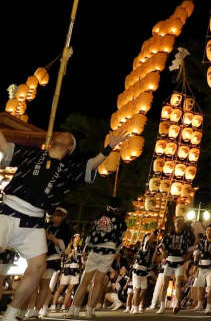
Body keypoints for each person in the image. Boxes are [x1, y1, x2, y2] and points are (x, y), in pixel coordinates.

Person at [0, 128, 129, 321]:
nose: (64, 135)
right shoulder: (32, 153)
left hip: (34, 221)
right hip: (8, 211)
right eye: (61, 134)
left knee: (38, 266)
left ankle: (11, 313)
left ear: (70, 147)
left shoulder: (69, 169)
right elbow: (4, 147)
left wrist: (109, 147)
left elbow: (92, 164)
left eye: (70, 137)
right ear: (52, 140)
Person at [66, 197, 126, 318]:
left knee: (85, 281)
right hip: (109, 251)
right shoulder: (122, 222)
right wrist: (115, 251)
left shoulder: (99, 217)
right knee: (98, 282)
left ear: (108, 206)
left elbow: (91, 234)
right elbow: (120, 241)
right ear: (118, 208)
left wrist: (86, 249)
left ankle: (73, 310)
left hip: (95, 250)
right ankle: (90, 311)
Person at [29, 206, 70, 319]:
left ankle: (37, 311)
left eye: (59, 215)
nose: (56, 217)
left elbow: (64, 246)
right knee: (33, 284)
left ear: (64, 216)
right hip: (39, 256)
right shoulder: (47, 225)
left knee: (44, 285)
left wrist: (53, 238)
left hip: (52, 258)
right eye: (55, 215)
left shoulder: (66, 229)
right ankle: (29, 309)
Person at [155, 214, 195, 313]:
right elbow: (160, 245)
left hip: (180, 261)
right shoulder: (169, 235)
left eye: (180, 222)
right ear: (174, 223)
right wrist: (163, 251)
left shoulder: (187, 236)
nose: (178, 223)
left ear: (183, 224)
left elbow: (191, 249)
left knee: (178, 284)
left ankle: (176, 304)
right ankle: (162, 306)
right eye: (177, 221)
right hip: (169, 261)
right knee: (165, 284)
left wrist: (187, 257)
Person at [49, 235, 82, 312]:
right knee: (60, 288)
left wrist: (82, 258)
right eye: (76, 237)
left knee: (70, 289)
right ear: (73, 239)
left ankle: (64, 306)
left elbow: (81, 261)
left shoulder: (80, 248)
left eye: (79, 238)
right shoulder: (68, 247)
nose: (78, 239)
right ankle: (53, 305)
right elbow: (63, 259)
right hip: (67, 269)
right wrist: (70, 255)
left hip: (75, 270)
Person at [190, 225, 211, 311]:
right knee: (200, 286)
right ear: (205, 232)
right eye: (207, 230)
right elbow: (196, 254)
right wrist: (195, 265)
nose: (209, 232)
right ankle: (200, 304)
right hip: (201, 267)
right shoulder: (201, 242)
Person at [130, 231, 158, 314]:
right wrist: (155, 231)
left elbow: (153, 260)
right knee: (137, 289)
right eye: (148, 237)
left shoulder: (152, 248)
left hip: (145, 271)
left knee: (144, 290)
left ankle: (134, 305)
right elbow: (149, 240)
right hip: (138, 269)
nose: (151, 238)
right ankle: (135, 308)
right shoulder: (144, 246)